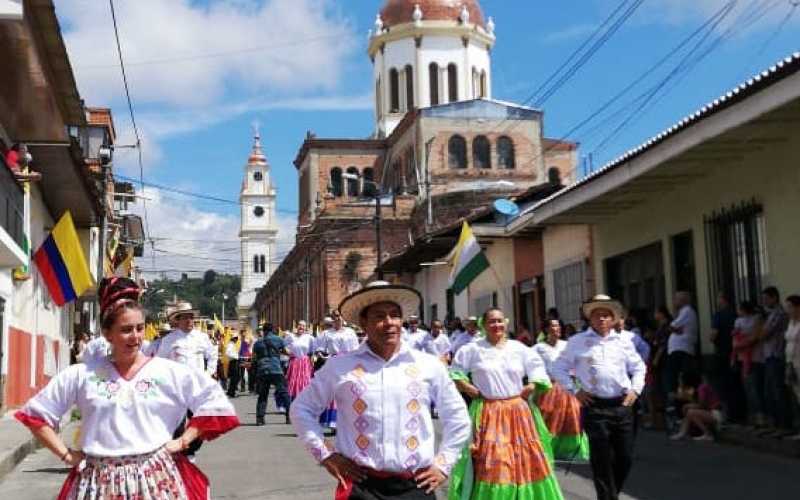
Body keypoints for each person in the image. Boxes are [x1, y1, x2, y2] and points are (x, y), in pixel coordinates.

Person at [14, 277, 239, 500]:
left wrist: (183, 440)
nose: (135, 337)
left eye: (140, 328)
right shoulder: (82, 375)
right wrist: (66, 455)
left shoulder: (168, 372)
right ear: (107, 333)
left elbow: (214, 402)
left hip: (156, 481)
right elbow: (36, 415)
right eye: (126, 330)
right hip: (99, 483)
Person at [291, 281, 470, 500]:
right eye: (379, 316)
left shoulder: (428, 365)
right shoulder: (340, 367)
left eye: (395, 315)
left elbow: (458, 416)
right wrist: (326, 455)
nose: (389, 323)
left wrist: (444, 464)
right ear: (363, 323)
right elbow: (301, 409)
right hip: (362, 486)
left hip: (416, 486)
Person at [449, 308, 563, 500]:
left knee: (525, 460)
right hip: (489, 411)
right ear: (483, 325)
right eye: (492, 322)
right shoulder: (472, 349)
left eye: (500, 321)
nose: (497, 325)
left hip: (518, 412)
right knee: (496, 462)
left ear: (506, 323)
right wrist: (468, 388)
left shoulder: (518, 348)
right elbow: (455, 372)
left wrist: (532, 384)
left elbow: (537, 367)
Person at [553, 295, 646, 500]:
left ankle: (611, 494)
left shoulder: (625, 341)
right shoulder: (578, 341)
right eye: (597, 315)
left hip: (622, 404)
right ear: (590, 319)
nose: (602, 319)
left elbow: (638, 367)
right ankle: (607, 497)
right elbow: (558, 367)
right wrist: (574, 390)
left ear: (614, 319)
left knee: (625, 457)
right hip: (594, 406)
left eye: (606, 315)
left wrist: (635, 390)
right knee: (601, 457)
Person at [146, 301, 219, 460]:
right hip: (176, 388)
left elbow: (212, 355)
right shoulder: (169, 340)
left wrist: (208, 373)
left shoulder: (202, 337)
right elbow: (159, 361)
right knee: (177, 422)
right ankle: (180, 453)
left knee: (198, 421)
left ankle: (191, 452)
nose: (189, 321)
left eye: (191, 317)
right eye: (185, 318)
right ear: (177, 320)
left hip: (197, 387)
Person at [535, 318, 590, 462]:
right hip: (548, 387)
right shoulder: (538, 348)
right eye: (553, 326)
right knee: (549, 417)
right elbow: (531, 366)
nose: (557, 328)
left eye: (558, 325)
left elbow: (578, 362)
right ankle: (549, 448)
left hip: (568, 386)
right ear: (546, 329)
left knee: (572, 416)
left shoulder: (567, 345)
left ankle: (571, 448)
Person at [314, 311, 359, 429]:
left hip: (347, 363)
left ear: (342, 318)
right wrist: (322, 356)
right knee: (333, 390)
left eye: (338, 316)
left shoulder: (350, 332)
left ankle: (348, 420)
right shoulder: (326, 334)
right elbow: (319, 349)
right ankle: (333, 421)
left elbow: (356, 349)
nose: (336, 319)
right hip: (333, 363)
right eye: (334, 317)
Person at [760, 287, 792, 436]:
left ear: (774, 298)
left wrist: (761, 331)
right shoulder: (771, 314)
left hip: (776, 355)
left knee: (778, 392)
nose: (764, 301)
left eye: (766, 298)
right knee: (769, 392)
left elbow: (764, 334)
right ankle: (775, 424)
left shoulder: (779, 314)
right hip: (769, 356)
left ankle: (784, 425)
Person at [732, 300, 765, 427]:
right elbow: (735, 335)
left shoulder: (757, 319)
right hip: (742, 357)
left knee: (756, 387)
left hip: (755, 357)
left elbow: (755, 337)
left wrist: (740, 343)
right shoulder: (738, 321)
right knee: (749, 388)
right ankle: (754, 416)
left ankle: (761, 417)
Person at [710, 291, 740, 421]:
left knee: (722, 385)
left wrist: (712, 338)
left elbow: (713, 335)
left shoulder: (719, 315)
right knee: (735, 383)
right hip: (736, 352)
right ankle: (738, 413)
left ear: (723, 300)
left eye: (718, 298)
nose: (717, 301)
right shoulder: (735, 314)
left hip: (722, 352)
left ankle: (727, 414)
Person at [253, 323, 291, 425]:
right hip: (276, 369)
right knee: (284, 393)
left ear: (263, 331)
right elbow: (286, 352)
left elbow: (255, 358)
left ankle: (260, 419)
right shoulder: (278, 339)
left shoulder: (257, 343)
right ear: (272, 330)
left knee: (262, 395)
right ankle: (289, 416)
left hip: (262, 370)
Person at [670, 373, 722, 441]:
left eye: (680, 379)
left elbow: (702, 405)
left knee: (691, 412)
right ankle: (682, 433)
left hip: (716, 414)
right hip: (711, 413)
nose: (679, 381)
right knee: (689, 413)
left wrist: (688, 405)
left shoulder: (702, 387)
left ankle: (708, 434)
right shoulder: (696, 388)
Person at [666, 292, 698, 396]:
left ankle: (682, 399)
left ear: (682, 301)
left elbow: (671, 326)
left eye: (676, 299)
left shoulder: (687, 310)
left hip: (681, 349)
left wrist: (675, 329)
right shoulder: (683, 312)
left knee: (679, 377)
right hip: (679, 349)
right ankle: (679, 399)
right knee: (680, 377)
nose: (674, 302)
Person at [784, 295, 800, 440]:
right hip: (791, 364)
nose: (787, 310)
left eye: (789, 307)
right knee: (797, 397)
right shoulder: (791, 323)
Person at [286, 320, 314, 401]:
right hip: (294, 362)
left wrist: (312, 359)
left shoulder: (310, 338)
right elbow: (283, 348)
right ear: (296, 326)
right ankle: (293, 400)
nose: (301, 327)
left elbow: (313, 351)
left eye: (303, 326)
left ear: (306, 328)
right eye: (299, 325)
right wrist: (289, 353)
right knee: (293, 382)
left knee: (305, 381)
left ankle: (304, 400)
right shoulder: (290, 337)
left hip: (305, 363)